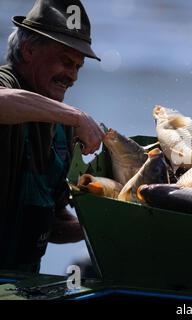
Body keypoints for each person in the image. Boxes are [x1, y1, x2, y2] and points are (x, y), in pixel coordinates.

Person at [0, 0, 104, 273]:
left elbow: (54, 225)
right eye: (65, 61)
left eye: (78, 67)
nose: (72, 76)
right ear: (29, 49)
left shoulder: (61, 127)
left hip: (20, 283)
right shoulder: (7, 85)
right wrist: (75, 117)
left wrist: (103, 225)